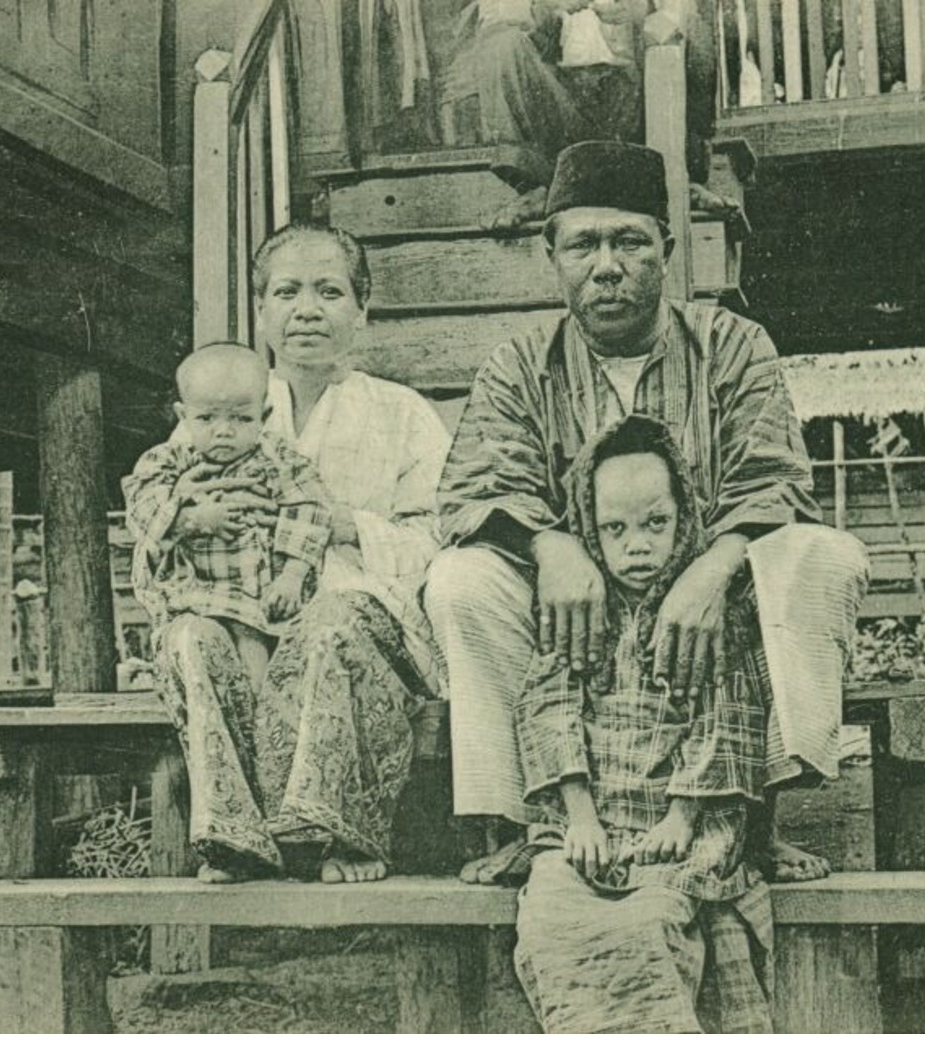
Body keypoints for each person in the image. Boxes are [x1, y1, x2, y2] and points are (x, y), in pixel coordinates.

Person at [427, 140, 869, 886]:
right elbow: (478, 487)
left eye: (629, 240)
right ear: (551, 255)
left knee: (828, 556)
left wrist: (711, 566)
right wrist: (552, 545)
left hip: (713, 608)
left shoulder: (730, 344)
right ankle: (526, 824)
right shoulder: (518, 362)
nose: (607, 264)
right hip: (575, 626)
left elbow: (775, 480)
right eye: (583, 244)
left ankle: (753, 820)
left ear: (666, 249)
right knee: (458, 578)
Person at [132, 222, 452, 884]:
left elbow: (437, 536)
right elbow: (158, 513)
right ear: (262, 310)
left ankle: (341, 832)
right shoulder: (220, 408)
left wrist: (346, 526)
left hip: (354, 617)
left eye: (329, 291)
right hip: (237, 606)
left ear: (361, 309)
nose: (306, 309)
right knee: (191, 635)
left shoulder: (402, 413)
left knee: (329, 622)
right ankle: (234, 835)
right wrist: (194, 522)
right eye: (286, 291)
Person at [511, 413, 772, 1032]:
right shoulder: (576, 616)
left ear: (684, 520)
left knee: (651, 920)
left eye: (656, 523)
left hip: (681, 821)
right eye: (615, 529)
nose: (638, 545)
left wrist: (682, 817)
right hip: (586, 822)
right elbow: (549, 710)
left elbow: (725, 715)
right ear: (589, 531)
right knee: (552, 917)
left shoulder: (707, 616)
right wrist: (578, 818)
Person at [125, 343, 332, 689]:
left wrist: (292, 576)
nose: (224, 430)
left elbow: (310, 509)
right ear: (183, 416)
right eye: (207, 418)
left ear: (263, 417)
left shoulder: (275, 459)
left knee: (251, 646)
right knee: (198, 646)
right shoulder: (170, 460)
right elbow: (142, 504)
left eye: (241, 418)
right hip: (190, 591)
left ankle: (257, 718)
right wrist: (194, 517)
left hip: (253, 592)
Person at [468, 0, 723, 227]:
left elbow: (679, 11)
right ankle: (539, 187)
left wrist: (639, 12)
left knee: (692, 27)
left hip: (634, 97)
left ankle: (683, 177)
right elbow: (493, 12)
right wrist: (542, 8)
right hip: (557, 100)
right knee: (498, 43)